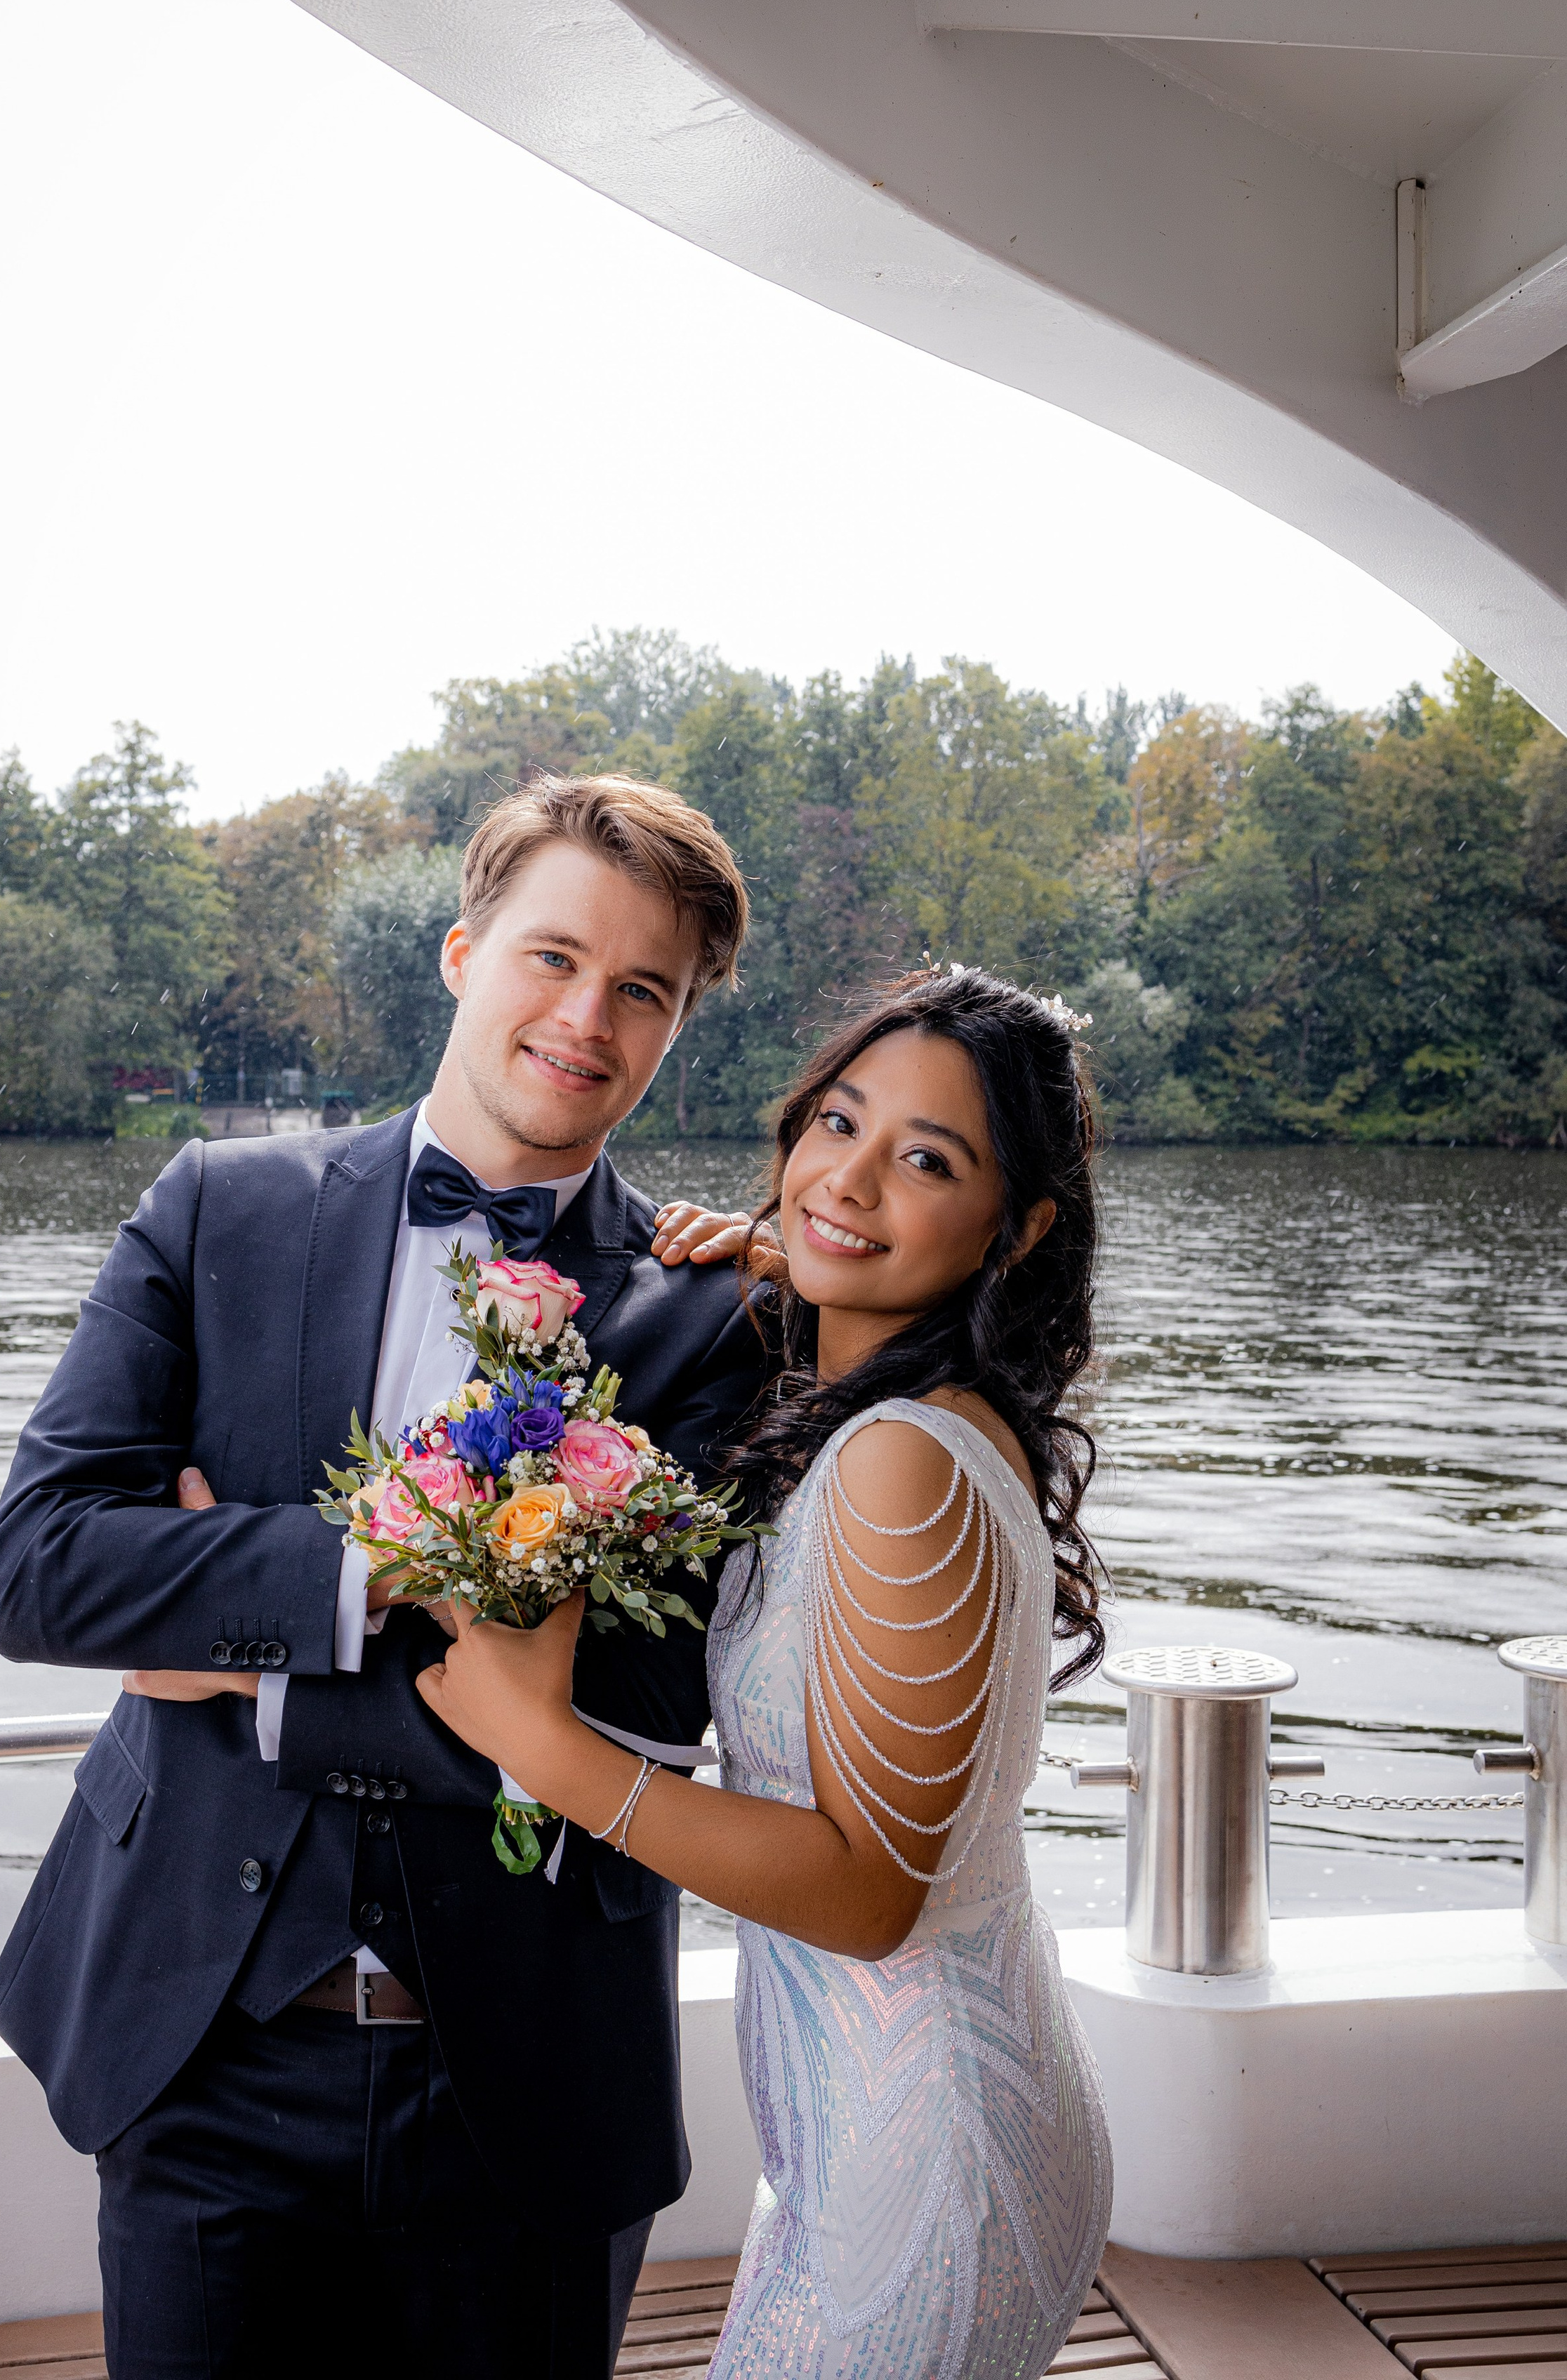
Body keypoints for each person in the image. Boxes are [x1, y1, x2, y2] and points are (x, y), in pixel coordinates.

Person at [0, 773, 762, 2380]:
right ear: (464, 950)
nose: (585, 1017)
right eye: (552, 957)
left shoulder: (711, 1313)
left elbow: (641, 1700)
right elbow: (41, 1571)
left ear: (678, 1027)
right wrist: (373, 1578)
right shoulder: (215, 1207)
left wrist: (231, 1637)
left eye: (641, 992)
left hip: (533, 2076)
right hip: (199, 2047)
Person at [420, 964, 1115, 2380]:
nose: (846, 1181)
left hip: (922, 2154)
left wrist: (545, 1749)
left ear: (1015, 1226)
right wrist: (774, 1267)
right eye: (835, 1127)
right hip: (886, 2117)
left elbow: (867, 1895)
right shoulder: (903, 1414)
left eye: (924, 1160)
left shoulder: (902, 1463)